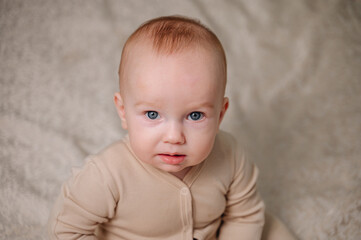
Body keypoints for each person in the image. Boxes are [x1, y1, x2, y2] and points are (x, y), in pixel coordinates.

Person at [48, 15, 295, 240]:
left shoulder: (231, 156)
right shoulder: (106, 175)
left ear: (220, 115)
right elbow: (66, 230)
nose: (174, 137)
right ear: (123, 111)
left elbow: (244, 216)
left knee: (273, 230)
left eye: (195, 115)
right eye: (153, 114)